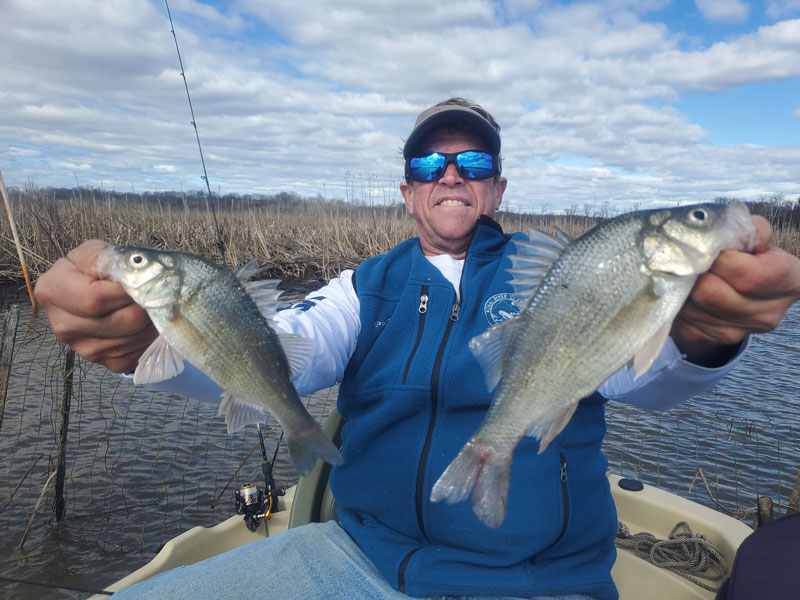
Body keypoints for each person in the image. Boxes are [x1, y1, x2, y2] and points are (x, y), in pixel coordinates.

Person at [35, 98, 800, 600]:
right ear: (407, 191)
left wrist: (703, 331)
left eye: (472, 164)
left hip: (538, 583)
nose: (451, 178)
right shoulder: (362, 288)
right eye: (430, 166)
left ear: (496, 189)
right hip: (357, 560)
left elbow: (648, 383)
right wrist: (144, 342)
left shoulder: (561, 276)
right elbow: (279, 351)